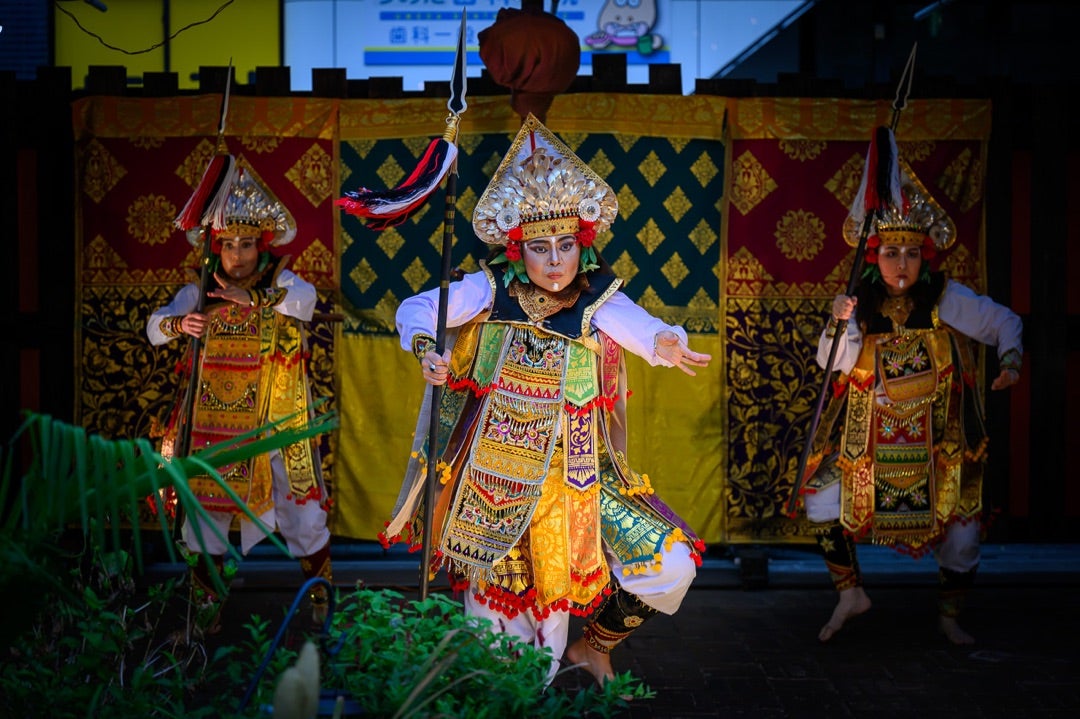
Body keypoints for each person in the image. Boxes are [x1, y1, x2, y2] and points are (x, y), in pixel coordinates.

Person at [381, 114, 710, 687]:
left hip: (578, 485)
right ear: (518, 250)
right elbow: (416, 310)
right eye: (539, 247)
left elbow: (641, 326)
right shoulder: (488, 289)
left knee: (672, 566)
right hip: (494, 488)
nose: (554, 261)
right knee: (509, 656)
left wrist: (666, 341)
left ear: (581, 247)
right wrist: (427, 348)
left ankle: (598, 645)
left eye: (564, 245)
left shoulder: (596, 300)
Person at [799, 154, 1023, 646]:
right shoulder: (858, 302)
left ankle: (948, 616)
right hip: (868, 442)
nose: (902, 264)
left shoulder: (945, 297)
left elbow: (1003, 321)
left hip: (938, 442)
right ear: (875, 255)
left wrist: (1010, 361)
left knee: (962, 535)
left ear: (925, 258)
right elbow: (832, 363)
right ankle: (850, 593)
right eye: (891, 253)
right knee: (819, 498)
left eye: (912, 254)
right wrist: (838, 320)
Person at [148, 164, 333, 635]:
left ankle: (323, 610)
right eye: (227, 245)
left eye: (246, 243)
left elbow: (306, 304)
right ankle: (205, 620)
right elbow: (155, 328)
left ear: (262, 245)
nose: (236, 255)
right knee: (204, 520)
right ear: (216, 248)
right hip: (216, 431)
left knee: (304, 517)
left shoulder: (284, 284)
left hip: (276, 425)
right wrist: (178, 325)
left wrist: (257, 303)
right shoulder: (199, 293)